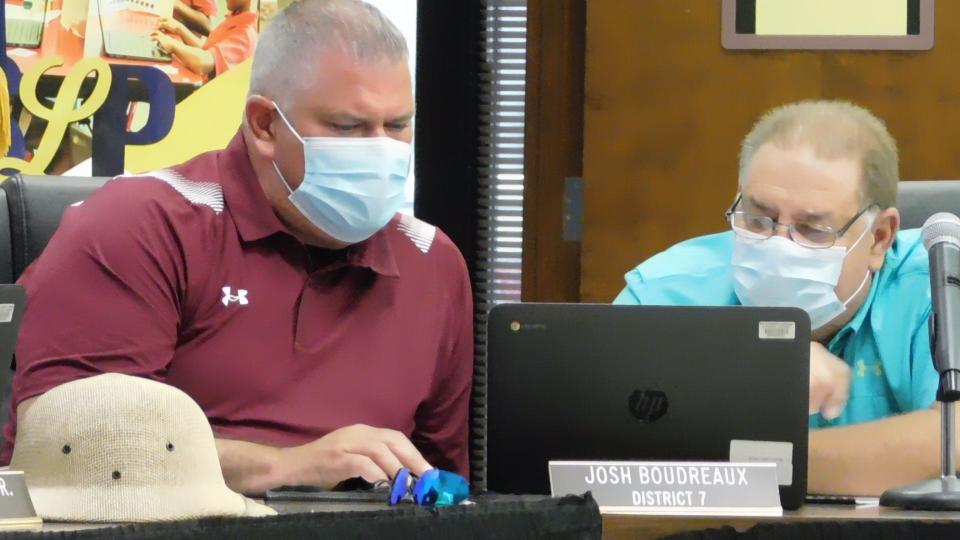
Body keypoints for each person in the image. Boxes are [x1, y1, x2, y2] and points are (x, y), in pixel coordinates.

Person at [3, 0, 474, 497]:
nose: (381, 150)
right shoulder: (139, 227)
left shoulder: (433, 263)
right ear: (264, 125)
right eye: (347, 127)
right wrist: (287, 467)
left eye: (398, 125)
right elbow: (72, 454)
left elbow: (442, 486)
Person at [614, 101, 938, 496]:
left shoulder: (936, 284)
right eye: (757, 219)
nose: (776, 247)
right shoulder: (666, 291)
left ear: (880, 238)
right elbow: (597, 443)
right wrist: (753, 366)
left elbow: (952, 442)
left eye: (813, 229)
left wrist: (739, 462)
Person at [153, 0, 258, 80]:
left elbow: (205, 62)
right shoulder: (236, 16)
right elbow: (206, 49)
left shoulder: (245, 34)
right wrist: (179, 29)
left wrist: (174, 46)